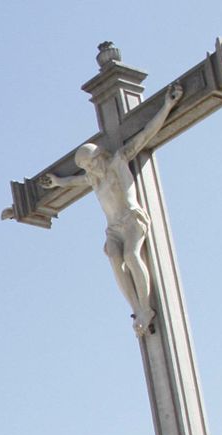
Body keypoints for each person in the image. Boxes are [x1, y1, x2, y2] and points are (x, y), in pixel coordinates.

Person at [40, 82, 183, 332]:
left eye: (91, 163)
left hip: (131, 218)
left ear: (99, 156)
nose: (90, 169)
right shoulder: (94, 179)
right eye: (87, 167)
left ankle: (146, 306)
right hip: (113, 227)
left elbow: (146, 134)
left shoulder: (117, 162)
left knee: (131, 255)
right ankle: (137, 308)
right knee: (114, 258)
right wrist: (57, 182)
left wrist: (167, 105)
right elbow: (73, 181)